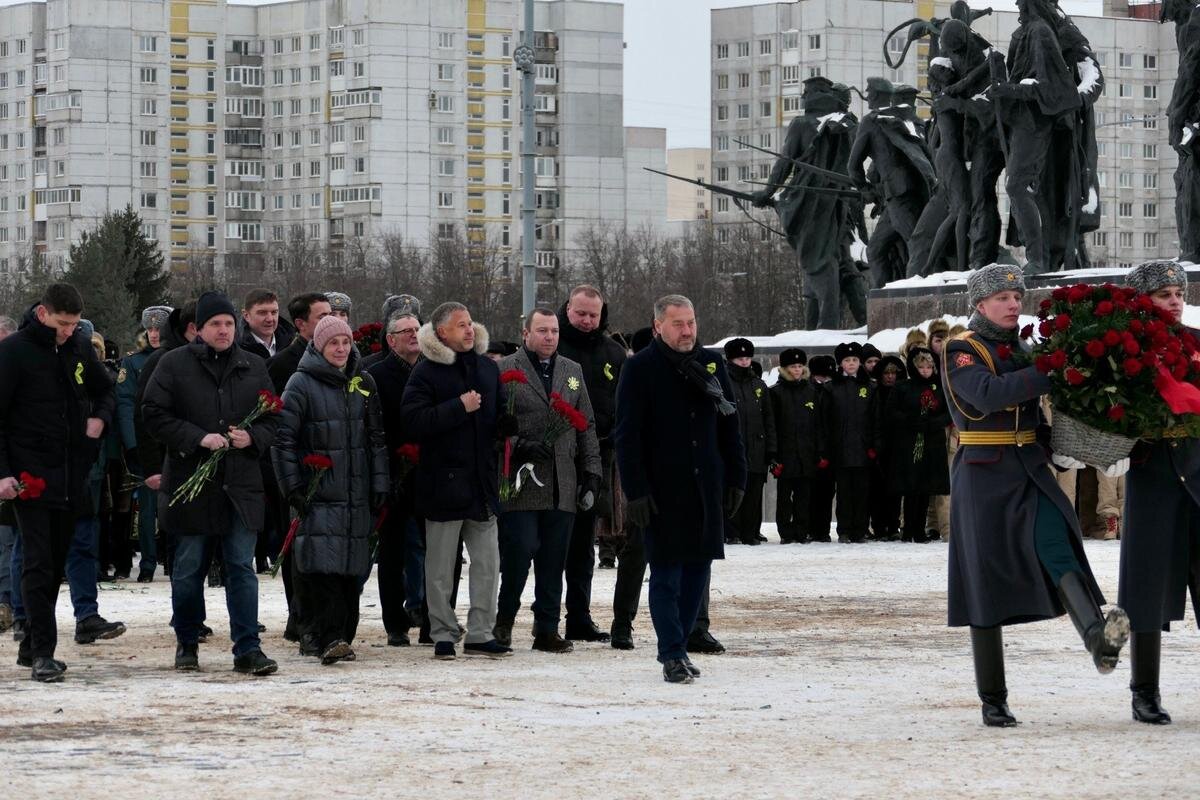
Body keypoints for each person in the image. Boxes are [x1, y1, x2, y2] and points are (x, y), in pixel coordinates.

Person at [944, 264, 1128, 727]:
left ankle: (1097, 638)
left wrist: (1063, 445)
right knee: (984, 584)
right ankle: (994, 698)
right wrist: (1050, 368)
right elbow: (984, 397)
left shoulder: (1023, 349)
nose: (1012, 304)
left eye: (1016, 295)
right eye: (1002, 297)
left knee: (1058, 545)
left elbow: (1032, 409)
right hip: (984, 475)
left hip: (1029, 467)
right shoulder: (963, 348)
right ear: (980, 304)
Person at [143, 291, 281, 676]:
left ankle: (248, 648)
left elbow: (274, 417)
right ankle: (187, 640)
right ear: (198, 330)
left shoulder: (252, 366)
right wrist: (196, 438)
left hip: (240, 485)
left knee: (241, 567)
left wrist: (252, 437)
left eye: (228, 323)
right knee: (188, 570)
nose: (223, 330)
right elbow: (152, 413)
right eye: (214, 324)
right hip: (191, 484)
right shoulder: (173, 364)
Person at [614, 295, 746, 684]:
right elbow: (627, 436)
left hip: (705, 487)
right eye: (678, 324)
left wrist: (737, 478)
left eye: (691, 322)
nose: (687, 330)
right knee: (666, 576)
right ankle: (670, 651)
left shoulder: (712, 363)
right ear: (658, 326)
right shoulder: (639, 369)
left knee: (696, 575)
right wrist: (635, 491)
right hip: (661, 490)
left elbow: (729, 426)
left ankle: (682, 646)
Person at [0, 284, 116, 682]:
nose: (69, 331)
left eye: (74, 324)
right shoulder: (13, 351)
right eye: (63, 324)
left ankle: (32, 643)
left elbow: (105, 390)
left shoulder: (79, 346)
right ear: (44, 314)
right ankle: (43, 653)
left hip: (72, 472)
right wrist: (3, 473)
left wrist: (99, 419)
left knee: (54, 564)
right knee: (37, 562)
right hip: (29, 475)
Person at [400, 302, 518, 660]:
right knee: (439, 567)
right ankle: (443, 632)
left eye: (470, 323)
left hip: (482, 483)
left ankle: (481, 632)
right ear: (441, 333)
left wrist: (503, 426)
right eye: (460, 325)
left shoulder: (486, 368)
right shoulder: (425, 372)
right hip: (442, 483)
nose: (469, 330)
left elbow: (494, 414)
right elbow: (413, 422)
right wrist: (457, 407)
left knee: (488, 564)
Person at [273, 316, 388, 665]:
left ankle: (340, 634)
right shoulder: (301, 383)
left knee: (351, 569)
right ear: (319, 347)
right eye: (332, 344)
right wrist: (292, 485)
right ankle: (325, 635)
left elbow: (376, 438)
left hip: (356, 494)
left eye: (345, 343)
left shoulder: (362, 381)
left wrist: (380, 483)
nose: (340, 349)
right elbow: (283, 440)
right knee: (321, 567)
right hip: (318, 492)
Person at [494, 307, 601, 653]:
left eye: (554, 331)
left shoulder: (571, 371)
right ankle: (504, 622)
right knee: (519, 553)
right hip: (522, 482)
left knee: (555, 560)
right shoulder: (505, 369)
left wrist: (592, 473)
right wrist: (520, 446)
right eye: (542, 331)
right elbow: (494, 427)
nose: (549, 337)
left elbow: (586, 425)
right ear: (526, 334)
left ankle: (547, 628)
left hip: (562, 482)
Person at [1118, 261, 1198, 724]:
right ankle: (1144, 692)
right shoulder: (1121, 350)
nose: (1175, 300)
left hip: (1198, 475)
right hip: (1153, 479)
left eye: (1178, 293)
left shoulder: (1197, 344)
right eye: (1164, 294)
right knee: (1145, 589)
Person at [555, 285, 627, 643]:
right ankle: (544, 615)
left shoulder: (613, 352)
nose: (586, 321)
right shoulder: (551, 344)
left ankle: (578, 616)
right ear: (568, 309)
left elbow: (623, 403)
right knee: (551, 544)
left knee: (584, 545)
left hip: (596, 461)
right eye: (580, 313)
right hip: (553, 459)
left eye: (593, 315)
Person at [266, 293, 332, 625]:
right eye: (322, 317)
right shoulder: (281, 365)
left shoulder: (345, 360)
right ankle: (298, 614)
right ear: (302, 324)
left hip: (332, 469)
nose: (331, 321)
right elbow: (279, 426)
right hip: (297, 470)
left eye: (333, 314)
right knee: (295, 543)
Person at [367, 311, 427, 646]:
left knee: (434, 549)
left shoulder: (433, 368)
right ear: (391, 339)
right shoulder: (376, 374)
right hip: (392, 473)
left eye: (418, 329)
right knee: (392, 552)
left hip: (428, 474)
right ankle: (395, 623)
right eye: (406, 331)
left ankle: (431, 616)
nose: (414, 335)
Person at [115, 305, 172, 583]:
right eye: (149, 328)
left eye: (159, 328)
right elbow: (125, 404)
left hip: (174, 443)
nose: (153, 334)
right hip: (147, 445)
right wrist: (133, 443)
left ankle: (173, 559)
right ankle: (148, 563)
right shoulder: (133, 363)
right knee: (147, 510)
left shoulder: (178, 358)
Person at [884, 347, 949, 542]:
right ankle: (908, 528)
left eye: (929, 367)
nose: (925, 371)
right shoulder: (903, 387)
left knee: (926, 487)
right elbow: (891, 411)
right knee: (911, 486)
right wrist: (910, 420)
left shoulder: (939, 387)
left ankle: (920, 529)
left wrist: (933, 423)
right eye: (921, 367)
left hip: (932, 441)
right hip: (909, 442)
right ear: (914, 367)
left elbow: (947, 412)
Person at [820, 342, 879, 543]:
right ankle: (844, 530)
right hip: (840, 449)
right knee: (844, 492)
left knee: (863, 491)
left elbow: (875, 419)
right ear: (840, 363)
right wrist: (827, 449)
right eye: (847, 360)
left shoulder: (870, 387)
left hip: (863, 448)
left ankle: (860, 529)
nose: (851, 364)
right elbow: (825, 421)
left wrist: (873, 445)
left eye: (854, 360)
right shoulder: (830, 388)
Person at [722, 338, 776, 546]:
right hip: (733, 448)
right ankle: (731, 532)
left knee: (754, 492)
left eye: (747, 358)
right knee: (733, 491)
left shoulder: (758, 385)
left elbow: (768, 419)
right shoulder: (724, 383)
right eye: (740, 358)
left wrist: (771, 450)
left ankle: (751, 531)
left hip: (757, 448)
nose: (744, 362)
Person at [770, 348, 822, 544]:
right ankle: (785, 530)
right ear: (785, 368)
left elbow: (818, 424)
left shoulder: (811, 391)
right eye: (793, 366)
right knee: (785, 496)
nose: (797, 370)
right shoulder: (775, 392)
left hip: (806, 453)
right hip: (786, 453)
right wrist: (774, 455)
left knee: (804, 495)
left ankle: (802, 530)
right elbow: (772, 425)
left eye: (800, 366)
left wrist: (819, 451)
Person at [869, 354, 906, 540]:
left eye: (894, 373)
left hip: (898, 446)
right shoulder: (874, 392)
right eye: (887, 373)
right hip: (879, 446)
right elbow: (871, 421)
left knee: (895, 490)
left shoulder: (903, 392)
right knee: (877, 490)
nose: (890, 376)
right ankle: (878, 526)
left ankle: (893, 526)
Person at [807, 355, 838, 542]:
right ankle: (810, 527)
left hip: (832, 448)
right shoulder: (808, 391)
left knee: (827, 493)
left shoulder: (834, 391)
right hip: (810, 449)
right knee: (811, 493)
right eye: (820, 378)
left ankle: (823, 529)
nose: (823, 382)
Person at [239, 289, 293, 360]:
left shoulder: (291, 344)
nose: (270, 319)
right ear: (246, 315)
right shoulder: (235, 350)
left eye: (274, 312)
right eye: (262, 313)